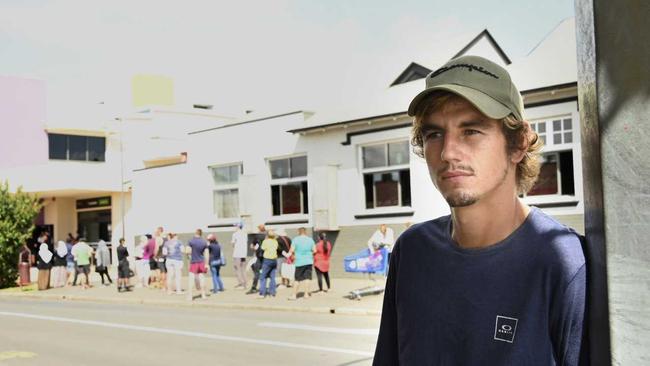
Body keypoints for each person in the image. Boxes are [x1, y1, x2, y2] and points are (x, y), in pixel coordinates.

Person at [373, 55, 586, 365]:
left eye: (470, 131)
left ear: (518, 143)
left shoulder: (562, 262)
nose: (447, 152)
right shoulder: (411, 251)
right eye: (434, 134)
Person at [286, 227, 316, 300]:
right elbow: (315, 251)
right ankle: (306, 294)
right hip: (308, 261)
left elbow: (291, 250)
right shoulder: (310, 240)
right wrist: (309, 255)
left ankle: (294, 295)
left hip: (299, 262)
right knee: (307, 278)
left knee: (297, 279)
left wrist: (291, 256)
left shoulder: (295, 239)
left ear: (298, 232)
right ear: (305, 232)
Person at [187, 229, 208, 300]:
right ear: (201, 234)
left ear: (195, 233)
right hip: (201, 262)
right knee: (202, 278)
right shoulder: (204, 242)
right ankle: (203, 295)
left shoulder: (191, 241)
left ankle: (190, 296)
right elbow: (206, 254)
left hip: (193, 262)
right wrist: (207, 264)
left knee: (191, 279)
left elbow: (188, 251)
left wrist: (189, 257)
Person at [258, 229, 279, 299]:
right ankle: (272, 293)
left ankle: (262, 293)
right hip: (274, 260)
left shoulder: (265, 241)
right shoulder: (275, 241)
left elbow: (262, 249)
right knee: (272, 277)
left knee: (263, 277)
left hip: (267, 260)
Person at [246, 224, 267, 295]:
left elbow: (252, 245)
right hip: (267, 257)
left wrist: (255, 248)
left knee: (257, 272)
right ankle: (266, 288)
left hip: (259, 256)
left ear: (259, 229)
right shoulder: (268, 236)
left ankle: (254, 288)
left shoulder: (257, 236)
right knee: (268, 272)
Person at [231, 222, 248, 289]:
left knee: (237, 268)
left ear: (238, 226)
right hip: (243, 253)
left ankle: (241, 284)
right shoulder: (245, 234)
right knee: (243, 269)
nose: (234, 227)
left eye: (235, 226)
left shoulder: (235, 234)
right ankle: (245, 283)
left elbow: (232, 243)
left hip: (237, 253)